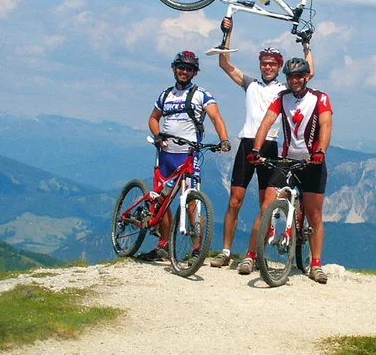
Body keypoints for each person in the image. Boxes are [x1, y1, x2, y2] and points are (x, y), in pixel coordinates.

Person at [209, 17, 314, 269]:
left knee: (265, 205)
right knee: (235, 199)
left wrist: (307, 47)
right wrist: (227, 33)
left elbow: (307, 73)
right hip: (246, 144)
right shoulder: (251, 84)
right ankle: (225, 251)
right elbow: (224, 63)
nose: (267, 67)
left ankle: (251, 255)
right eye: (264, 63)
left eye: (272, 64)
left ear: (279, 68)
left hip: (270, 146)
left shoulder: (283, 90)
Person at [246, 57, 332, 284]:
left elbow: (326, 125)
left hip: (313, 162)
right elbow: (266, 122)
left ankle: (316, 265)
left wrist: (320, 151)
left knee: (314, 215)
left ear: (306, 77)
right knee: (267, 206)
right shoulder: (281, 98)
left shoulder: (320, 98)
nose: (294, 80)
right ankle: (251, 256)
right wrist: (256, 149)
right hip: (286, 161)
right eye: (290, 77)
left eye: (298, 76)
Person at [141, 50, 231, 261]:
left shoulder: (202, 94)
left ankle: (197, 249)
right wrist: (156, 135)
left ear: (194, 73)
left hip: (188, 156)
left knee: (192, 202)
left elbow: (216, 117)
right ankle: (163, 245)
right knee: (162, 201)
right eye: (181, 67)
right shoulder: (165, 95)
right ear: (174, 68)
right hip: (166, 156)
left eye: (188, 69)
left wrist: (224, 139)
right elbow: (154, 118)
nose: (184, 71)